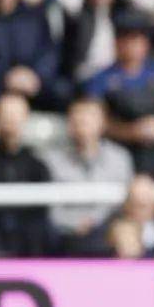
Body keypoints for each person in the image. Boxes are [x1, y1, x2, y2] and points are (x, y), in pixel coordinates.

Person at [41, 97, 134, 255]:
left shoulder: (120, 158)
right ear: (69, 124)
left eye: (90, 116)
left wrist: (96, 222)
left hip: (108, 231)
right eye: (77, 116)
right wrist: (73, 223)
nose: (83, 121)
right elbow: (48, 209)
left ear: (103, 122)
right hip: (65, 235)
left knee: (127, 234)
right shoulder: (51, 161)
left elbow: (125, 205)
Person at [82, 9, 154, 148]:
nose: (130, 45)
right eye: (124, 39)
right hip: (118, 148)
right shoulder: (101, 79)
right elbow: (94, 122)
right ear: (116, 42)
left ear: (146, 43)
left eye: (136, 38)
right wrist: (132, 131)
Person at [0, 0, 66, 110]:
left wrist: (36, 77)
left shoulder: (35, 15)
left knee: (65, 91)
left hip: (34, 86)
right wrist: (5, 79)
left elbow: (49, 52)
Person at [0, 93, 51, 256]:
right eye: (6, 113)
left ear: (26, 117)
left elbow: (42, 212)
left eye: (16, 114)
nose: (11, 119)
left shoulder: (37, 163)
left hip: (28, 245)